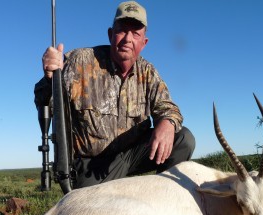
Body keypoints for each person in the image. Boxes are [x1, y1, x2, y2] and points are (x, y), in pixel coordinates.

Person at [34, 1, 195, 189]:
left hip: (130, 156)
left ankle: (162, 198)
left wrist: (167, 122)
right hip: (93, 166)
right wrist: (49, 78)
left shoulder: (148, 72)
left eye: (136, 33)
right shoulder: (79, 61)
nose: (128, 39)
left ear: (144, 43)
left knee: (183, 139)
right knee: (93, 213)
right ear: (111, 34)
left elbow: (168, 107)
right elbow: (43, 100)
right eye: (122, 30)